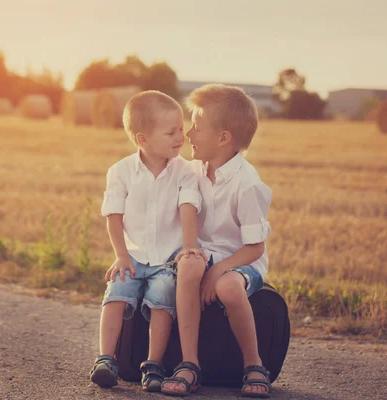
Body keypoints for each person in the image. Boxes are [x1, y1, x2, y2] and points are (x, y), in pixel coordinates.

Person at [161, 84, 273, 398]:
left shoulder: (247, 184)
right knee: (188, 263)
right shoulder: (194, 170)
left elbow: (255, 247)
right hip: (205, 255)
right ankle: (189, 364)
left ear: (223, 138)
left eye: (196, 127)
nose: (189, 135)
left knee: (227, 286)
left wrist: (219, 269)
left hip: (241, 261)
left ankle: (254, 364)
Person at [90, 90, 202, 392]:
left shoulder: (185, 171)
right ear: (143, 139)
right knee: (117, 290)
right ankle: (105, 359)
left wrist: (189, 245)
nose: (181, 136)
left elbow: (188, 207)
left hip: (167, 258)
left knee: (163, 296)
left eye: (181, 128)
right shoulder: (121, 172)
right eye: (172, 132)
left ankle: (153, 365)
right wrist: (121, 256)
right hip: (133, 255)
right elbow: (113, 216)